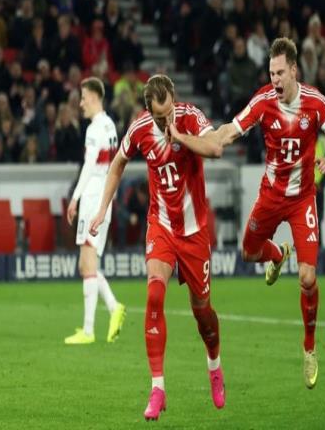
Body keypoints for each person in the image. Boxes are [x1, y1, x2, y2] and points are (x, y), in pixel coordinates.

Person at [168, 37, 325, 389]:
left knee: (308, 277)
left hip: (302, 200)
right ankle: (277, 254)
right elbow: (229, 131)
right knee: (249, 253)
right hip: (270, 196)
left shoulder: (315, 102)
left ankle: (309, 348)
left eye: (280, 73)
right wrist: (206, 138)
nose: (275, 79)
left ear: (294, 70)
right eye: (271, 73)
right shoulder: (263, 101)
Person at [89, 74, 225, 421]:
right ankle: (158, 388)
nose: (165, 122)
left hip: (194, 232)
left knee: (202, 312)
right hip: (161, 226)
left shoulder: (190, 117)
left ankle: (214, 366)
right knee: (153, 294)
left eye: (168, 114)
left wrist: (181, 136)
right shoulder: (140, 128)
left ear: (174, 99)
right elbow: (117, 164)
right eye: (159, 117)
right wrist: (103, 209)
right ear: (148, 111)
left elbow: (216, 148)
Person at [65, 77, 126, 345]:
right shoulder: (110, 125)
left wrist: (74, 198)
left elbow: (89, 166)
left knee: (87, 263)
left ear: (93, 97)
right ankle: (113, 307)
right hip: (105, 197)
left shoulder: (93, 129)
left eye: (83, 98)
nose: (80, 103)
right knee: (86, 264)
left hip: (92, 198)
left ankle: (89, 331)